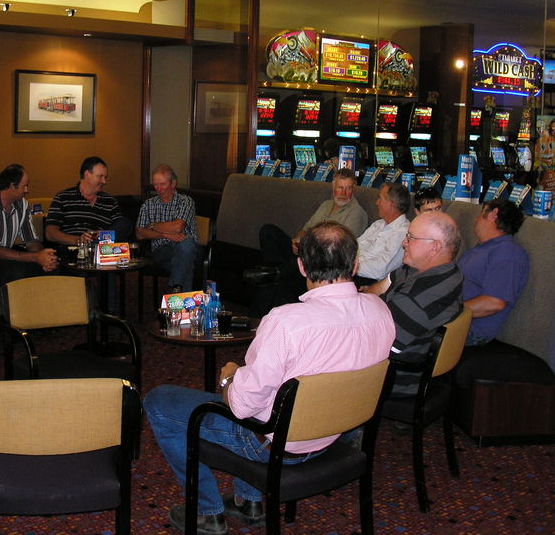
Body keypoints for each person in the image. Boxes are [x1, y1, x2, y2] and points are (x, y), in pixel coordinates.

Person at [144, 222, 395, 535]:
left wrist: (229, 379)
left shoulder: (285, 321)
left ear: (301, 266)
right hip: (336, 434)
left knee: (160, 400)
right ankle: (248, 500)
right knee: (270, 389)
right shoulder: (380, 311)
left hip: (278, 445)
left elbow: (242, 407)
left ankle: (206, 512)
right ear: (355, 265)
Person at [367, 211, 463, 397]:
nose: (404, 243)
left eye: (411, 238)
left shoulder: (416, 299)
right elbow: (381, 286)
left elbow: (374, 345)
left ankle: (349, 420)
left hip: (396, 377)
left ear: (434, 247)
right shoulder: (446, 270)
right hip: (396, 352)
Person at [248, 168, 368, 314]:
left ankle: (276, 273)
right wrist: (296, 241)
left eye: (348, 189)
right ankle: (277, 270)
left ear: (354, 189)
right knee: (268, 231)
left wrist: (305, 246)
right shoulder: (326, 205)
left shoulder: (357, 213)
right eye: (340, 188)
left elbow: (336, 247)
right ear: (333, 187)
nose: (344, 193)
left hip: (321, 261)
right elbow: (305, 229)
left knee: (276, 282)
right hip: (304, 251)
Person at [0, 164, 57, 285]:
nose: (27, 191)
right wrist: (36, 257)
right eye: (25, 186)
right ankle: (8, 303)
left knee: (50, 268)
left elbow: (31, 241)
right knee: (16, 272)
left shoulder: (22, 205)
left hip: (3, 256)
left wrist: (45, 258)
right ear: (12, 186)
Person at [459, 199, 529, 346]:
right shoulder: (481, 249)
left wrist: (445, 312)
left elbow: (494, 303)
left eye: (481, 213)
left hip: (468, 330)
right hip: (450, 319)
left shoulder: (508, 252)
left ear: (493, 214)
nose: (476, 219)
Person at [45, 156, 134, 250]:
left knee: (126, 223)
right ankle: (92, 244)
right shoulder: (63, 197)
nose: (104, 181)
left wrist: (103, 235)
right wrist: (79, 240)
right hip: (73, 251)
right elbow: (50, 233)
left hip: (102, 251)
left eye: (105, 177)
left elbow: (120, 229)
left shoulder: (110, 201)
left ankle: (94, 244)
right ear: (87, 174)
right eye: (100, 177)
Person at [135, 164, 200, 292]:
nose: (159, 189)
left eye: (163, 184)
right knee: (185, 259)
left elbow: (177, 227)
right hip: (162, 251)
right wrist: (164, 235)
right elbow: (140, 233)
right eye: (155, 185)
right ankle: (179, 298)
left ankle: (176, 291)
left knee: (185, 247)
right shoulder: (148, 204)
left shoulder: (185, 201)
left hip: (190, 248)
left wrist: (152, 226)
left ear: (173, 183)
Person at [355, 182, 411, 285]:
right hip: (351, 271)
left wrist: (347, 266)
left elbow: (380, 270)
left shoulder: (403, 233)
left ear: (391, 204)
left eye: (380, 198)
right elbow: (355, 246)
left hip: (368, 280)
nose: (377, 203)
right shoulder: (378, 224)